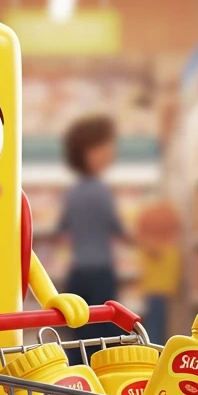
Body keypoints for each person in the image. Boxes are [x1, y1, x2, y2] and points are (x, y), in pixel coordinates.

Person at [55, 116, 126, 354]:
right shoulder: (102, 192)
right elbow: (116, 227)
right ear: (90, 152)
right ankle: (101, 385)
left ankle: (77, 381)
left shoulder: (72, 193)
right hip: (101, 273)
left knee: (78, 332)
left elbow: (61, 227)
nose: (110, 152)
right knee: (105, 335)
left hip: (77, 273)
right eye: (105, 146)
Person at [136, 200, 181, 344]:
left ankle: (154, 351)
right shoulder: (168, 248)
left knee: (155, 327)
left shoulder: (150, 246)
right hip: (161, 289)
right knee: (158, 327)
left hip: (154, 289)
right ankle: (157, 351)